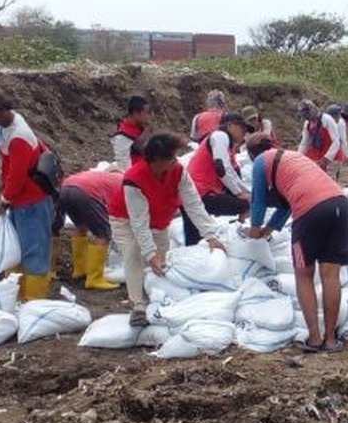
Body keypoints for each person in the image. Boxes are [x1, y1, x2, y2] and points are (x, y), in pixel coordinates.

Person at [244, 134, 348, 353]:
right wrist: (268, 230)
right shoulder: (292, 159)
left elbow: (258, 201)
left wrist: (254, 232)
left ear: (252, 154)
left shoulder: (261, 161)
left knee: (304, 274)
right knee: (331, 275)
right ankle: (331, 340)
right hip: (339, 203)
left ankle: (314, 338)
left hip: (310, 210)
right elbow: (285, 206)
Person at [107, 133, 226, 327]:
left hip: (159, 220)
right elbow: (139, 222)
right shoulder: (134, 179)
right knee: (134, 253)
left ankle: (158, 300)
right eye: (170, 158)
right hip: (125, 219)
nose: (175, 161)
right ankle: (138, 306)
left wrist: (210, 235)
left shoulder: (178, 171)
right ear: (157, 160)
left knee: (161, 262)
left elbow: (193, 204)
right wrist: (150, 253)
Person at [0, 87, 56, 301]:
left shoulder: (18, 137)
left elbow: (17, 176)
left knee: (33, 251)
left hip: (31, 201)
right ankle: (15, 297)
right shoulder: (9, 123)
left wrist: (5, 198)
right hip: (21, 200)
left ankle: (33, 302)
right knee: (17, 248)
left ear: (2, 110)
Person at [183, 112, 252, 245]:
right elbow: (221, 168)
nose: (244, 133)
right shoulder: (220, 136)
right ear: (230, 125)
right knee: (246, 204)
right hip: (200, 194)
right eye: (242, 128)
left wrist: (246, 192)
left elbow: (230, 172)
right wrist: (240, 194)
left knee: (194, 242)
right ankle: (240, 232)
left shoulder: (225, 144)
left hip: (192, 194)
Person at [54, 169, 123, 290]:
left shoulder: (105, 176)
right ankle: (95, 278)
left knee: (81, 226)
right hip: (86, 192)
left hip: (65, 187)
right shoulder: (125, 185)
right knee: (103, 234)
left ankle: (80, 270)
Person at [297, 100, 340, 169]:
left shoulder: (327, 120)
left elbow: (336, 142)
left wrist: (326, 158)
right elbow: (305, 143)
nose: (308, 119)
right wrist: (298, 157)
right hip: (318, 154)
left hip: (331, 156)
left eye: (308, 116)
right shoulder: (307, 124)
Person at [112, 95, 152, 171]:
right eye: (146, 113)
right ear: (136, 113)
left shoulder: (143, 129)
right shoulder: (122, 136)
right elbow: (123, 164)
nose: (148, 116)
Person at [323, 103, 348, 180]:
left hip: (329, 153)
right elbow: (343, 141)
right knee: (332, 176)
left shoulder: (328, 123)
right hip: (335, 154)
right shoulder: (340, 123)